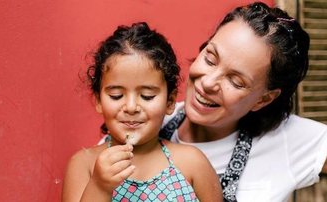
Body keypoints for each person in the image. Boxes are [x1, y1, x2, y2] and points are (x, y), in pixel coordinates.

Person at [158, 2, 327, 202]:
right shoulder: (152, 121)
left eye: (236, 81)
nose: (208, 82)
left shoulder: (286, 140)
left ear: (264, 99)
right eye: (210, 59)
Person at [62, 22, 223, 202]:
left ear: (170, 101)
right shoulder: (84, 165)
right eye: (116, 95)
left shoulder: (192, 163)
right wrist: (99, 186)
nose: (131, 107)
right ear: (99, 100)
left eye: (147, 96)